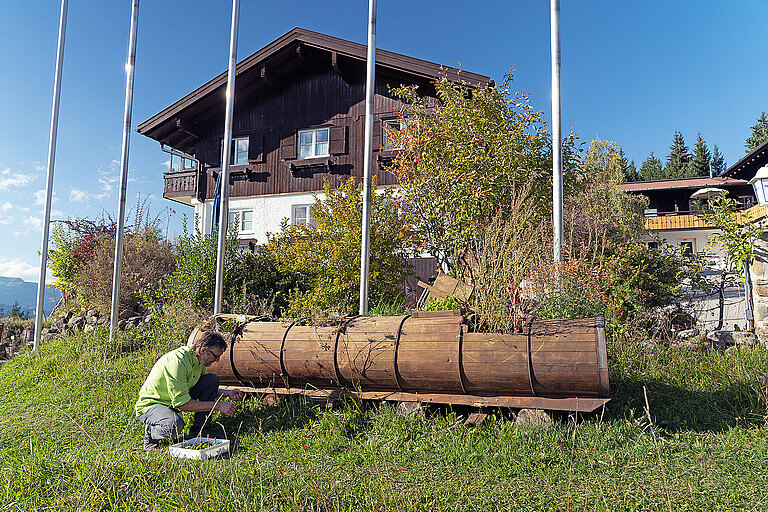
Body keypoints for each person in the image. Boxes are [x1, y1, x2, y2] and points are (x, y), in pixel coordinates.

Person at [135, 330, 243, 451]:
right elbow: (182, 404)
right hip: (153, 405)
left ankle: (200, 431)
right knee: (175, 425)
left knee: (211, 380)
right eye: (216, 356)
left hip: (173, 401)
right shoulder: (178, 362)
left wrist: (227, 393)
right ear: (203, 351)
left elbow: (203, 386)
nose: (217, 360)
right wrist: (218, 406)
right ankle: (151, 433)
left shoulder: (198, 359)